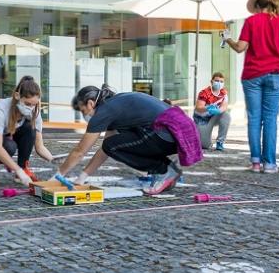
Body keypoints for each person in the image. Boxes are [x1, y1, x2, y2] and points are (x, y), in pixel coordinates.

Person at [56, 84, 202, 196]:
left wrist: (57, 177)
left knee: (112, 145)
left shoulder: (103, 112)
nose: (84, 115)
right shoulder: (114, 104)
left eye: (83, 111)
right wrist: (82, 177)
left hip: (168, 132)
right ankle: (166, 171)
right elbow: (105, 150)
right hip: (180, 131)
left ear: (90, 103)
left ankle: (164, 170)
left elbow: (80, 151)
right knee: (113, 145)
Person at [223, 0, 279, 174]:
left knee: (254, 119)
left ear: (257, 6)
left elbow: (241, 48)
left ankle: (256, 163)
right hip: (275, 75)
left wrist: (228, 39)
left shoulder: (251, 21)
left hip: (252, 76)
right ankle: (270, 164)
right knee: (270, 120)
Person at [195, 72, 231, 151]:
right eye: (217, 81)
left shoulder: (223, 93)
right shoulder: (204, 93)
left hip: (214, 116)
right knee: (204, 145)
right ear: (211, 82)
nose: (219, 83)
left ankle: (220, 141)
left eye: (221, 82)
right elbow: (198, 108)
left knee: (226, 116)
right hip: (202, 119)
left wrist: (218, 111)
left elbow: (224, 106)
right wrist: (208, 108)